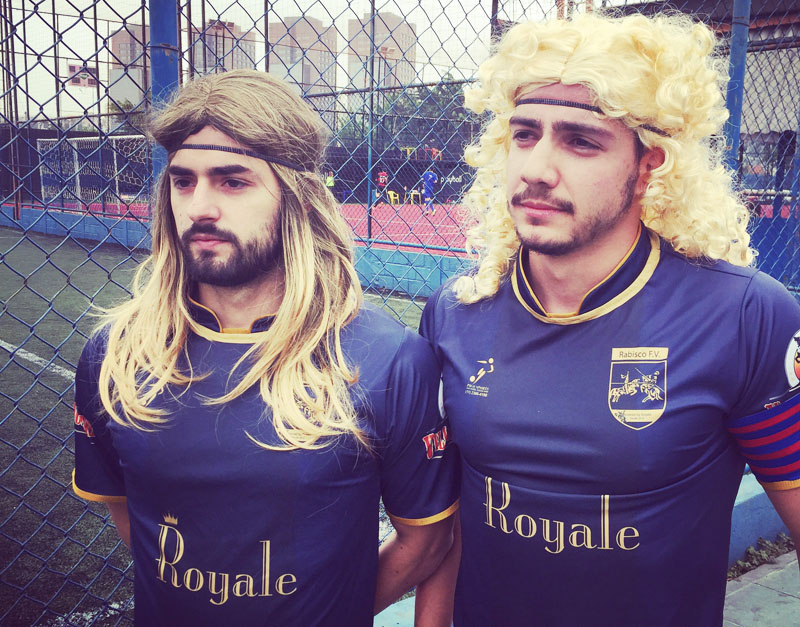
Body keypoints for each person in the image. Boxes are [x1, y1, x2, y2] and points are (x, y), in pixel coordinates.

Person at [415, 12, 800, 627]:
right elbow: (446, 528)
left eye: (581, 141)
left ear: (650, 166)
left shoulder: (746, 315)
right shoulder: (455, 312)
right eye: (524, 135)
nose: (537, 168)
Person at [71, 69, 458, 625]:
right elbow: (132, 518)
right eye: (183, 182)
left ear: (296, 198)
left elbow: (427, 540)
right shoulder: (114, 354)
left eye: (233, 182)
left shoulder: (390, 359)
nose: (199, 207)